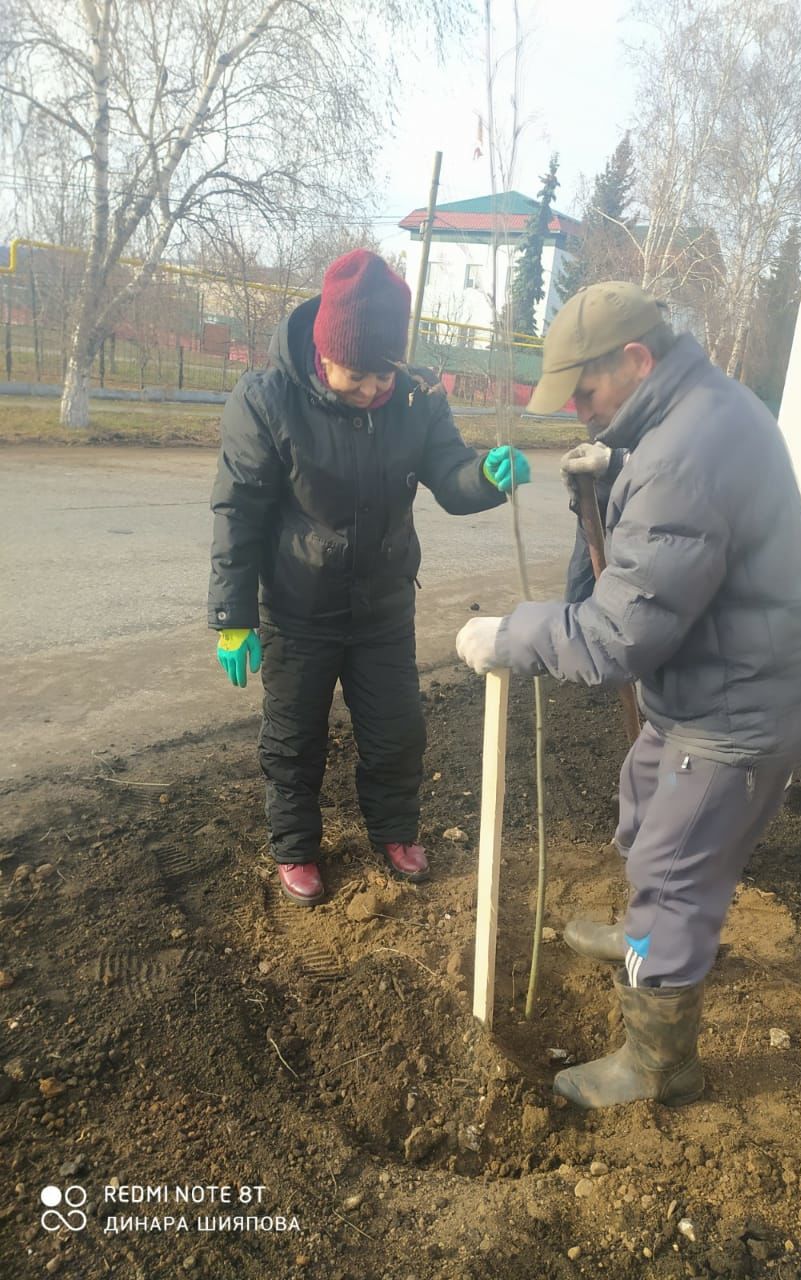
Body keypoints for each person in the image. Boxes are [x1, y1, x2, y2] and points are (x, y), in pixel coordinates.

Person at [455, 282, 801, 1111]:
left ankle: (660, 1066)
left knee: (672, 870)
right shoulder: (678, 419)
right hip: (712, 679)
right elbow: (623, 571)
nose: (579, 413)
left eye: (586, 393)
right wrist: (597, 488)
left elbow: (618, 635)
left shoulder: (684, 452)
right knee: (642, 807)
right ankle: (642, 940)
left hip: (742, 705)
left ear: (635, 359)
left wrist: (515, 635)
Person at [208, 249, 530, 906]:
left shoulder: (415, 398)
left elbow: (452, 477)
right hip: (298, 610)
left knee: (397, 730)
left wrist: (488, 479)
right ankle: (295, 846)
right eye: (358, 376)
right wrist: (232, 617)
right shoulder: (266, 401)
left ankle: (394, 831)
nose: (372, 391)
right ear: (324, 352)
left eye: (383, 375)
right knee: (294, 738)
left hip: (382, 609)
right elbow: (237, 511)